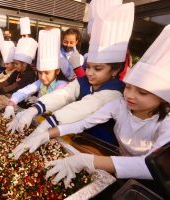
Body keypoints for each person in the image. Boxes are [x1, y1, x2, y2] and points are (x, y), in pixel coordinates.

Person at [18, 24, 170, 185]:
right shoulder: (120, 105)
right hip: (114, 161)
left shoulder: (165, 122)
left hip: (152, 182)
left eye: (143, 92)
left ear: (162, 97)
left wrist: (86, 160)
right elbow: (83, 122)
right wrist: (46, 133)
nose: (130, 95)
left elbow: (150, 165)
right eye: (128, 87)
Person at [9, 2, 134, 145]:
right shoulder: (84, 81)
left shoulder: (116, 89)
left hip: (100, 145)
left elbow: (86, 105)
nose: (90, 73)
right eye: (88, 67)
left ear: (115, 70)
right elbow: (64, 94)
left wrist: (49, 122)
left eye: (98, 69)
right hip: (75, 135)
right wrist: (34, 109)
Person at [3, 28, 68, 119]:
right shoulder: (40, 82)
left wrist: (36, 105)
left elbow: (54, 100)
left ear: (57, 71)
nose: (43, 77)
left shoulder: (62, 85)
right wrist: (11, 103)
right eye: (40, 73)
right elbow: (25, 91)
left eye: (47, 73)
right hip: (40, 118)